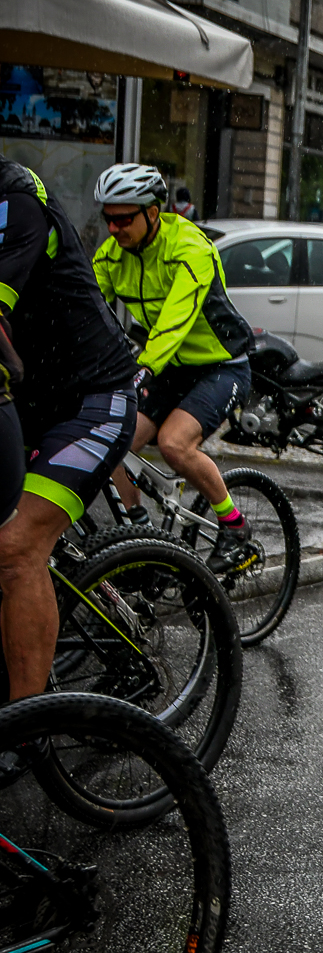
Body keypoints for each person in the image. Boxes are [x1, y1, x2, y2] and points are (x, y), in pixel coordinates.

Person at [0, 154, 138, 700]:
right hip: (29, 404)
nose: (115, 227)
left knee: (15, 549)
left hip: (92, 399)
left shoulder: (15, 201)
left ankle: (26, 726)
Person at [93, 163, 258, 574]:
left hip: (221, 366)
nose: (113, 228)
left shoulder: (189, 247)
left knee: (173, 443)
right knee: (110, 442)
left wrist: (141, 368)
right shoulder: (112, 256)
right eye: (107, 219)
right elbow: (81, 310)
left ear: (153, 212)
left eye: (123, 219)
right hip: (168, 367)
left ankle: (234, 525)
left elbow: (174, 320)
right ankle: (140, 536)